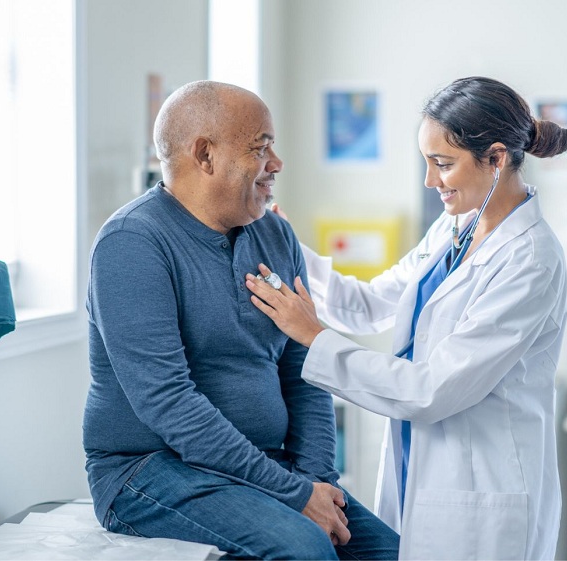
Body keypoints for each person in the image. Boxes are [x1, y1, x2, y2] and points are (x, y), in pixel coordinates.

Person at [246, 76, 567, 560]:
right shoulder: (455, 226)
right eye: (427, 162)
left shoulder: (531, 259)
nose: (430, 181)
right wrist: (289, 247)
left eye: (443, 164)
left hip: (485, 487)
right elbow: (369, 304)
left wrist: (314, 337)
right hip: (422, 467)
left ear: (496, 158)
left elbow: (432, 389)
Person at [83, 80, 399, 560]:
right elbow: (168, 402)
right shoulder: (132, 244)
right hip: (150, 468)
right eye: (260, 148)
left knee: (393, 553)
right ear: (205, 155)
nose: (277, 163)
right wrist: (293, 494)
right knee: (305, 549)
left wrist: (317, 481)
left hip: (263, 465)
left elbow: (304, 370)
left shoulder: (275, 236)